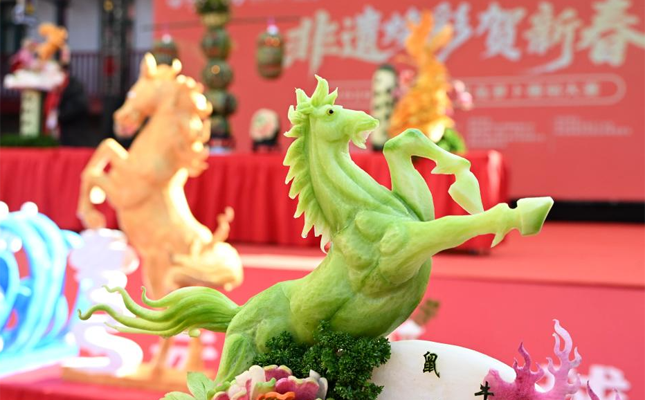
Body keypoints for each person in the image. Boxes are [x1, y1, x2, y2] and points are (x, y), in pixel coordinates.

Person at [44, 64, 92, 146]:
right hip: (58, 131)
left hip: (73, 132)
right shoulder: (53, 89)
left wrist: (59, 115)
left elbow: (80, 105)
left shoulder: (74, 86)